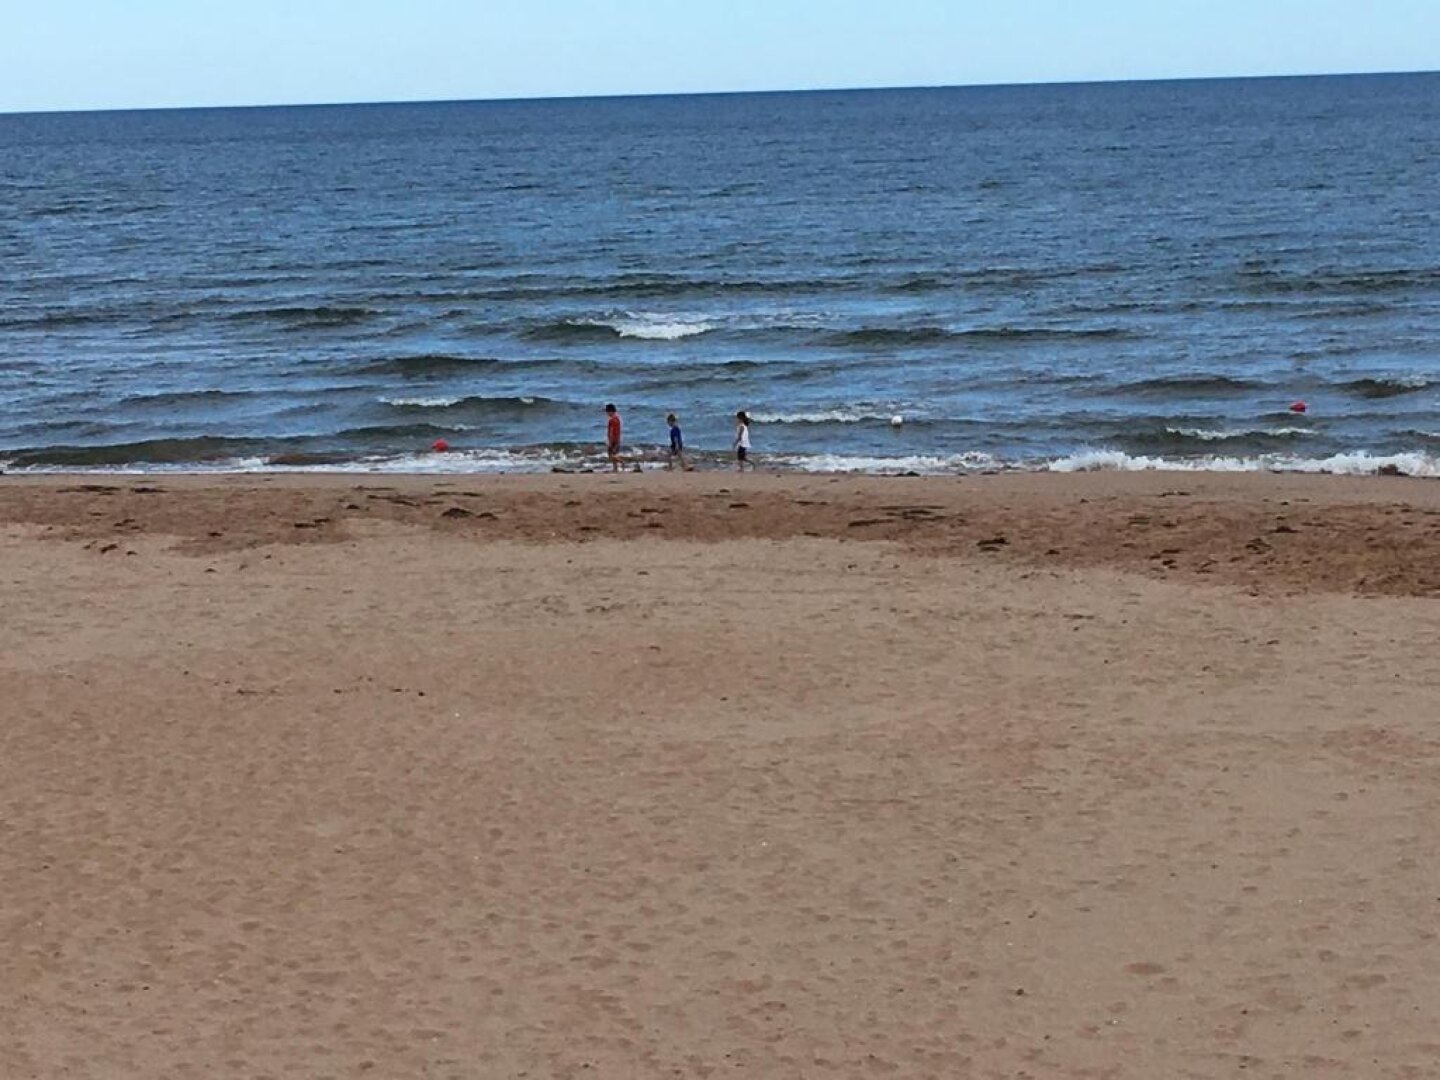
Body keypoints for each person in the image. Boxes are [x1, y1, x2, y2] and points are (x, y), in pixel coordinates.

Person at [604, 403, 622, 472]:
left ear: (610, 411)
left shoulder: (612, 420)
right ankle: (615, 468)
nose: (607, 413)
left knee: (611, 454)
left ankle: (621, 462)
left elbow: (611, 431)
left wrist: (610, 441)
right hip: (617, 439)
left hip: (613, 439)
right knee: (614, 454)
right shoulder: (617, 419)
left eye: (607, 412)